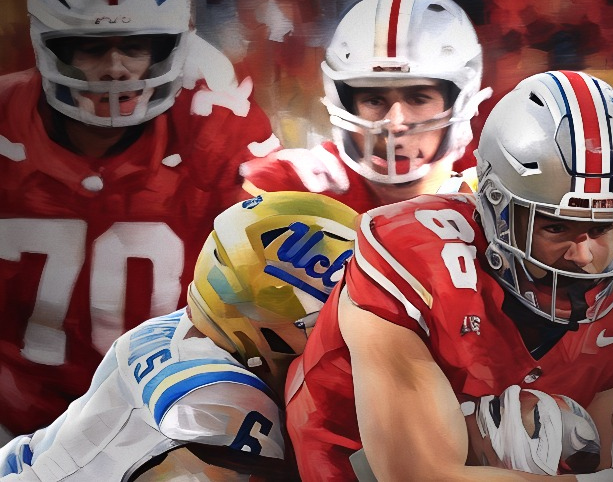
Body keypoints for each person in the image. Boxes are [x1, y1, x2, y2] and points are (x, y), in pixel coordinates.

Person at [285, 70, 613, 481]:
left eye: (601, 229)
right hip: (342, 463)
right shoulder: (411, 256)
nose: (583, 255)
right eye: (556, 227)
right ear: (498, 210)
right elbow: (419, 476)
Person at [0, 0, 280, 438]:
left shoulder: (217, 127)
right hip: (14, 416)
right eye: (92, 47)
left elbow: (272, 284)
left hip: (169, 414)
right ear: (51, 47)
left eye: (135, 45)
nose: (116, 68)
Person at [0, 192, 358, 481]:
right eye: (327, 321)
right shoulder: (218, 402)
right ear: (253, 327)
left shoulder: (198, 336)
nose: (353, 333)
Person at [239, 0, 492, 213]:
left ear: (461, 100)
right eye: (374, 99)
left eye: (418, 98)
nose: (394, 124)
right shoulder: (292, 189)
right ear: (344, 101)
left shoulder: (492, 188)